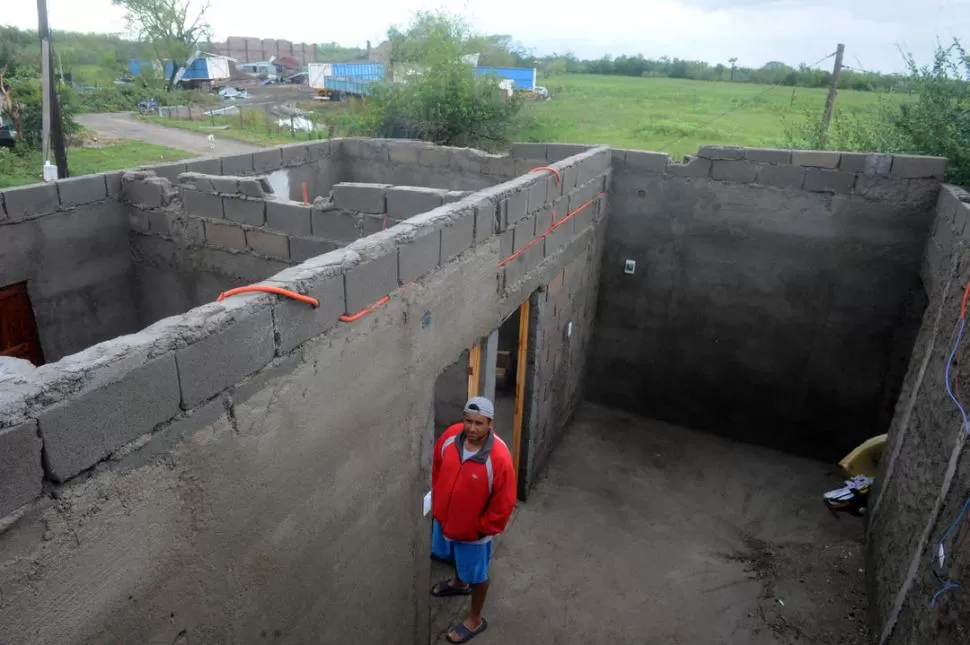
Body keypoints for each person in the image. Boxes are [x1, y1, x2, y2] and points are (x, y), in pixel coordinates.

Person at [430, 396, 517, 643]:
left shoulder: (498, 458)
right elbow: (437, 466)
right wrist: (438, 500)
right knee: (453, 558)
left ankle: (474, 619)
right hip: (446, 520)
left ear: (490, 423)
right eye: (468, 421)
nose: (471, 428)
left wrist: (481, 529)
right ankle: (459, 584)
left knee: (478, 575)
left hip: (473, 534)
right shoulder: (450, 437)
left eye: (479, 423)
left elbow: (504, 503)